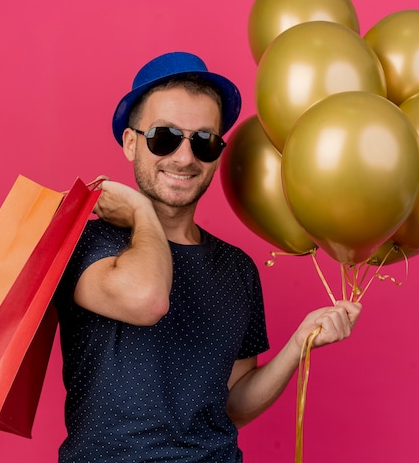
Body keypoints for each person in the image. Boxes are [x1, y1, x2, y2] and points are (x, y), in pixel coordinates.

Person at [54, 51, 362, 463]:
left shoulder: (237, 269)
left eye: (204, 141)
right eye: (164, 137)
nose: (184, 158)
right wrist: (143, 212)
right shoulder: (85, 244)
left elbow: (233, 405)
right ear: (131, 143)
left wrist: (299, 344)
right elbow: (147, 298)